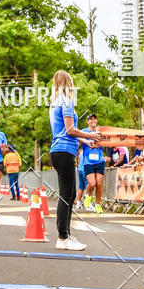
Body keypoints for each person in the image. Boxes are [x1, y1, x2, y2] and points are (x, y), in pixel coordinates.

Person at [49, 70, 101, 251]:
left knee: (70, 195)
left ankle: (66, 234)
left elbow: (66, 131)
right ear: (68, 84)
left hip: (60, 151)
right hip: (64, 151)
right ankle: (62, 237)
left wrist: (86, 141)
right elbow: (70, 129)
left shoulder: (55, 102)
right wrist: (90, 135)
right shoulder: (66, 101)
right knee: (66, 195)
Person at [81, 114, 105, 215]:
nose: (93, 120)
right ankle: (88, 196)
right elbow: (77, 137)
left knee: (99, 184)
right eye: (91, 119)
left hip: (100, 160)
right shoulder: (84, 131)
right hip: (88, 161)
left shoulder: (100, 131)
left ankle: (98, 205)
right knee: (92, 184)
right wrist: (86, 142)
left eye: (95, 119)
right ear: (87, 122)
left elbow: (110, 138)